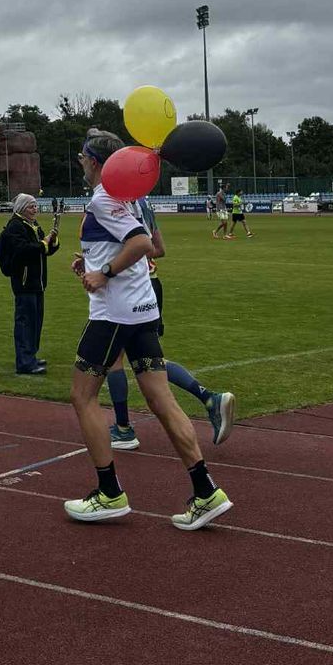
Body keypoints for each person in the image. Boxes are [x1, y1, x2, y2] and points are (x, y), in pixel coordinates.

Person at [63, 129, 232, 531]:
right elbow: (139, 245)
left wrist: (103, 273)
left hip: (114, 315)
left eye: (84, 157)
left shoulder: (105, 197)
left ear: (99, 163)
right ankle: (206, 491)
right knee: (161, 399)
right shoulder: (128, 197)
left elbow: (140, 243)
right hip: (140, 310)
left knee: (82, 396)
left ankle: (109, 493)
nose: (80, 163)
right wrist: (92, 265)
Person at [105, 195, 235, 451]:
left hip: (127, 291)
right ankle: (209, 398)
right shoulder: (143, 203)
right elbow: (159, 249)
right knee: (150, 360)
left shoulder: (113, 201)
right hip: (150, 286)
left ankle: (123, 429)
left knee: (114, 359)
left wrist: (109, 266)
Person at [0, 193, 59, 375]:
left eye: (36, 206)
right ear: (22, 208)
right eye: (31, 206)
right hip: (24, 282)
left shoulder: (32, 224)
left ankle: (31, 356)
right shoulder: (16, 226)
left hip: (37, 281)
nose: (35, 209)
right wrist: (43, 243)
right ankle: (24, 361)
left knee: (36, 321)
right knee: (25, 322)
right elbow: (23, 250)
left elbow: (42, 249)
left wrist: (51, 242)